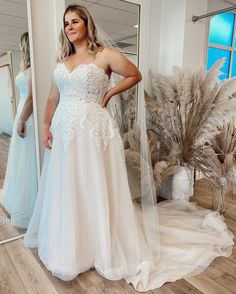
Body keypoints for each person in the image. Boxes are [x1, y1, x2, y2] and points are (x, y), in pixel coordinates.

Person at [24, 5, 234, 292]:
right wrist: (46, 125)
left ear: (87, 24)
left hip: (94, 130)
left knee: (97, 184)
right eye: (65, 23)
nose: (69, 27)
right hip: (64, 132)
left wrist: (108, 93)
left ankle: (102, 244)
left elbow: (134, 75)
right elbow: (51, 98)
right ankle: (71, 244)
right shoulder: (62, 61)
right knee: (67, 186)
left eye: (75, 21)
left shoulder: (104, 54)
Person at [0, 32, 38, 228]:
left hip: (26, 116)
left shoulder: (33, 70)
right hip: (24, 114)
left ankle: (28, 203)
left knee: (27, 159)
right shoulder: (33, 69)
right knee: (24, 158)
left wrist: (22, 118)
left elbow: (31, 97)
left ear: (25, 47)